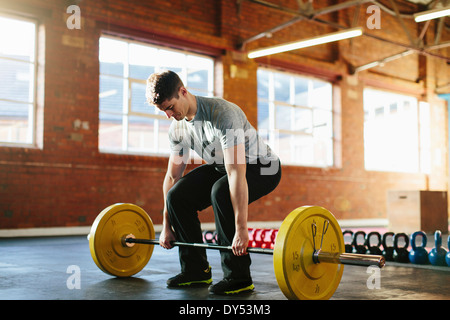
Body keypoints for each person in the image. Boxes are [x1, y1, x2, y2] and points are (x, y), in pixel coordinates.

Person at [146, 70, 281, 295]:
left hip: (264, 167)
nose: (169, 115)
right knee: (177, 195)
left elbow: (236, 172)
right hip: (223, 165)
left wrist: (241, 230)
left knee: (221, 191)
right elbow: (172, 177)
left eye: (170, 107)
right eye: (163, 111)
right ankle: (195, 271)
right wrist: (166, 225)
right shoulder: (177, 129)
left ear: (183, 91)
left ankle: (239, 277)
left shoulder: (222, 113)